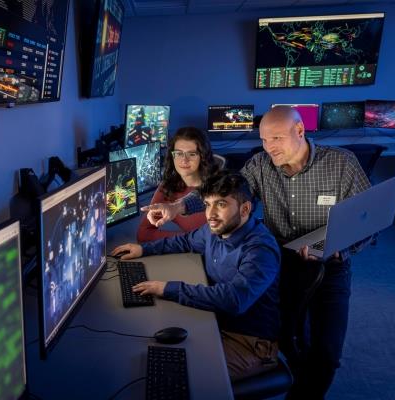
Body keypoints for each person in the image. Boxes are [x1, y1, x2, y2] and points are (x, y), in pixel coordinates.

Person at [142, 106, 371, 400]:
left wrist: (342, 245)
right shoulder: (261, 164)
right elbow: (224, 190)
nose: (269, 147)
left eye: (276, 138)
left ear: (300, 131)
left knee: (326, 354)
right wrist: (178, 207)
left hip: (330, 264)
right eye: (264, 139)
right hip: (277, 259)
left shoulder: (342, 164)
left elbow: (368, 218)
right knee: (286, 335)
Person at [113, 171, 281, 381]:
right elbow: (185, 241)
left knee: (176, 377)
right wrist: (143, 250)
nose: (210, 214)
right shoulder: (214, 229)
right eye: (207, 204)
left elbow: (233, 299)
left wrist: (167, 289)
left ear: (245, 209)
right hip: (218, 321)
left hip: (249, 341)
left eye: (220, 204)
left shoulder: (259, 249)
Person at [137, 126, 217, 242]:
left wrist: (190, 239)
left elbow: (218, 239)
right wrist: (188, 239)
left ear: (203, 156)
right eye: (179, 154)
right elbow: (143, 233)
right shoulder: (169, 186)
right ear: (172, 156)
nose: (184, 160)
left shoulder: (217, 187)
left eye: (192, 154)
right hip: (193, 254)